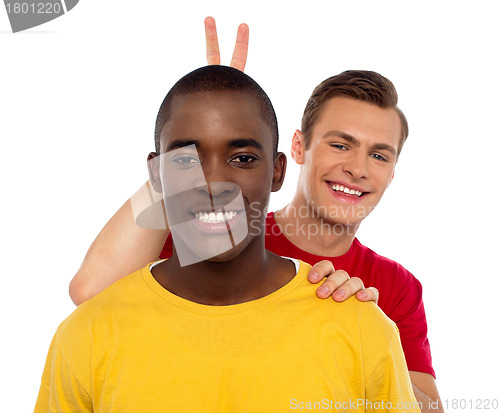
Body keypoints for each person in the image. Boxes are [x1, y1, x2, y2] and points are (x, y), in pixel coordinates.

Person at [68, 18, 442, 411]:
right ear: (297, 149)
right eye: (340, 145)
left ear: (393, 170)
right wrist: (211, 121)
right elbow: (93, 296)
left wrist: (367, 346)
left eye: (379, 154)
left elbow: (431, 408)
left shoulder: (394, 290)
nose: (358, 168)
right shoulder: (215, 232)